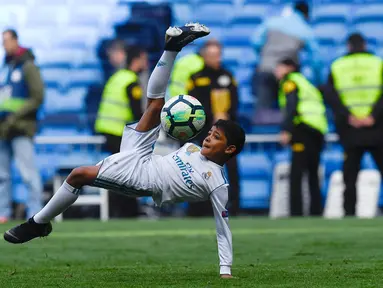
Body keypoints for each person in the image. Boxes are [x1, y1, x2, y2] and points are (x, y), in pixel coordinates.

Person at [4, 23, 246, 279]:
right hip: (144, 156)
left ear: (229, 149)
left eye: (216, 138)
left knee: (78, 175)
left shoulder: (217, 183)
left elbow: (223, 227)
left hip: (143, 180)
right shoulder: (192, 148)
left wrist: (225, 269)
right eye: (210, 133)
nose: (208, 137)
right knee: (155, 105)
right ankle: (172, 48)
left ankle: (38, 224)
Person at [326, 33, 383, 216]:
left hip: (351, 129)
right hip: (376, 127)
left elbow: (331, 96)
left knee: (350, 176)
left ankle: (349, 213)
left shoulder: (337, 66)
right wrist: (372, 116)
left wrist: (349, 116)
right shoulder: (378, 63)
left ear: (348, 46)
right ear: (364, 45)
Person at [186, 40, 240, 216]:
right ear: (204, 56)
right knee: (201, 171)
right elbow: (192, 105)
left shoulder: (228, 76)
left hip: (226, 133)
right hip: (204, 133)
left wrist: (226, 115)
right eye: (212, 55)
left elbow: (235, 101)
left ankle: (234, 206)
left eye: (218, 55)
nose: (216, 58)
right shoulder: (195, 79)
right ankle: (199, 209)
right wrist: (211, 115)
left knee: (231, 169)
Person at [95, 45, 147, 218]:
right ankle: (128, 211)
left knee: (117, 172)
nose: (145, 63)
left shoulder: (118, 76)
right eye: (143, 59)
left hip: (107, 129)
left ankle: (119, 209)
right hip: (118, 132)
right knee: (125, 173)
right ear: (136, 60)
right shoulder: (131, 81)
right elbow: (137, 112)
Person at [0, 29, 44, 222]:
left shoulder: (28, 66)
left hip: (21, 128)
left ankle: (35, 212)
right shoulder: (5, 67)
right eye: (2, 41)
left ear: (16, 41)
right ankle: (3, 212)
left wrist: (15, 117)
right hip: (3, 129)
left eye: (7, 41)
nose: (4, 45)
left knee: (28, 173)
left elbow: (38, 97)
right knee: (2, 175)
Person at [276, 58, 328, 216]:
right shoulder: (306, 82)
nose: (276, 71)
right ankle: (316, 211)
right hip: (317, 129)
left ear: (289, 67)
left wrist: (286, 130)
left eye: (279, 67)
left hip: (303, 128)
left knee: (297, 173)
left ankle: (296, 212)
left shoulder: (290, 81)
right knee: (313, 172)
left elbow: (291, 105)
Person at [252, 1, 321, 115]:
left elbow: (255, 42)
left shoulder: (271, 22)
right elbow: (316, 59)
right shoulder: (305, 29)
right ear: (306, 14)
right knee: (290, 108)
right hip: (288, 74)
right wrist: (319, 81)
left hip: (266, 69)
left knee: (263, 111)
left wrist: (265, 57)